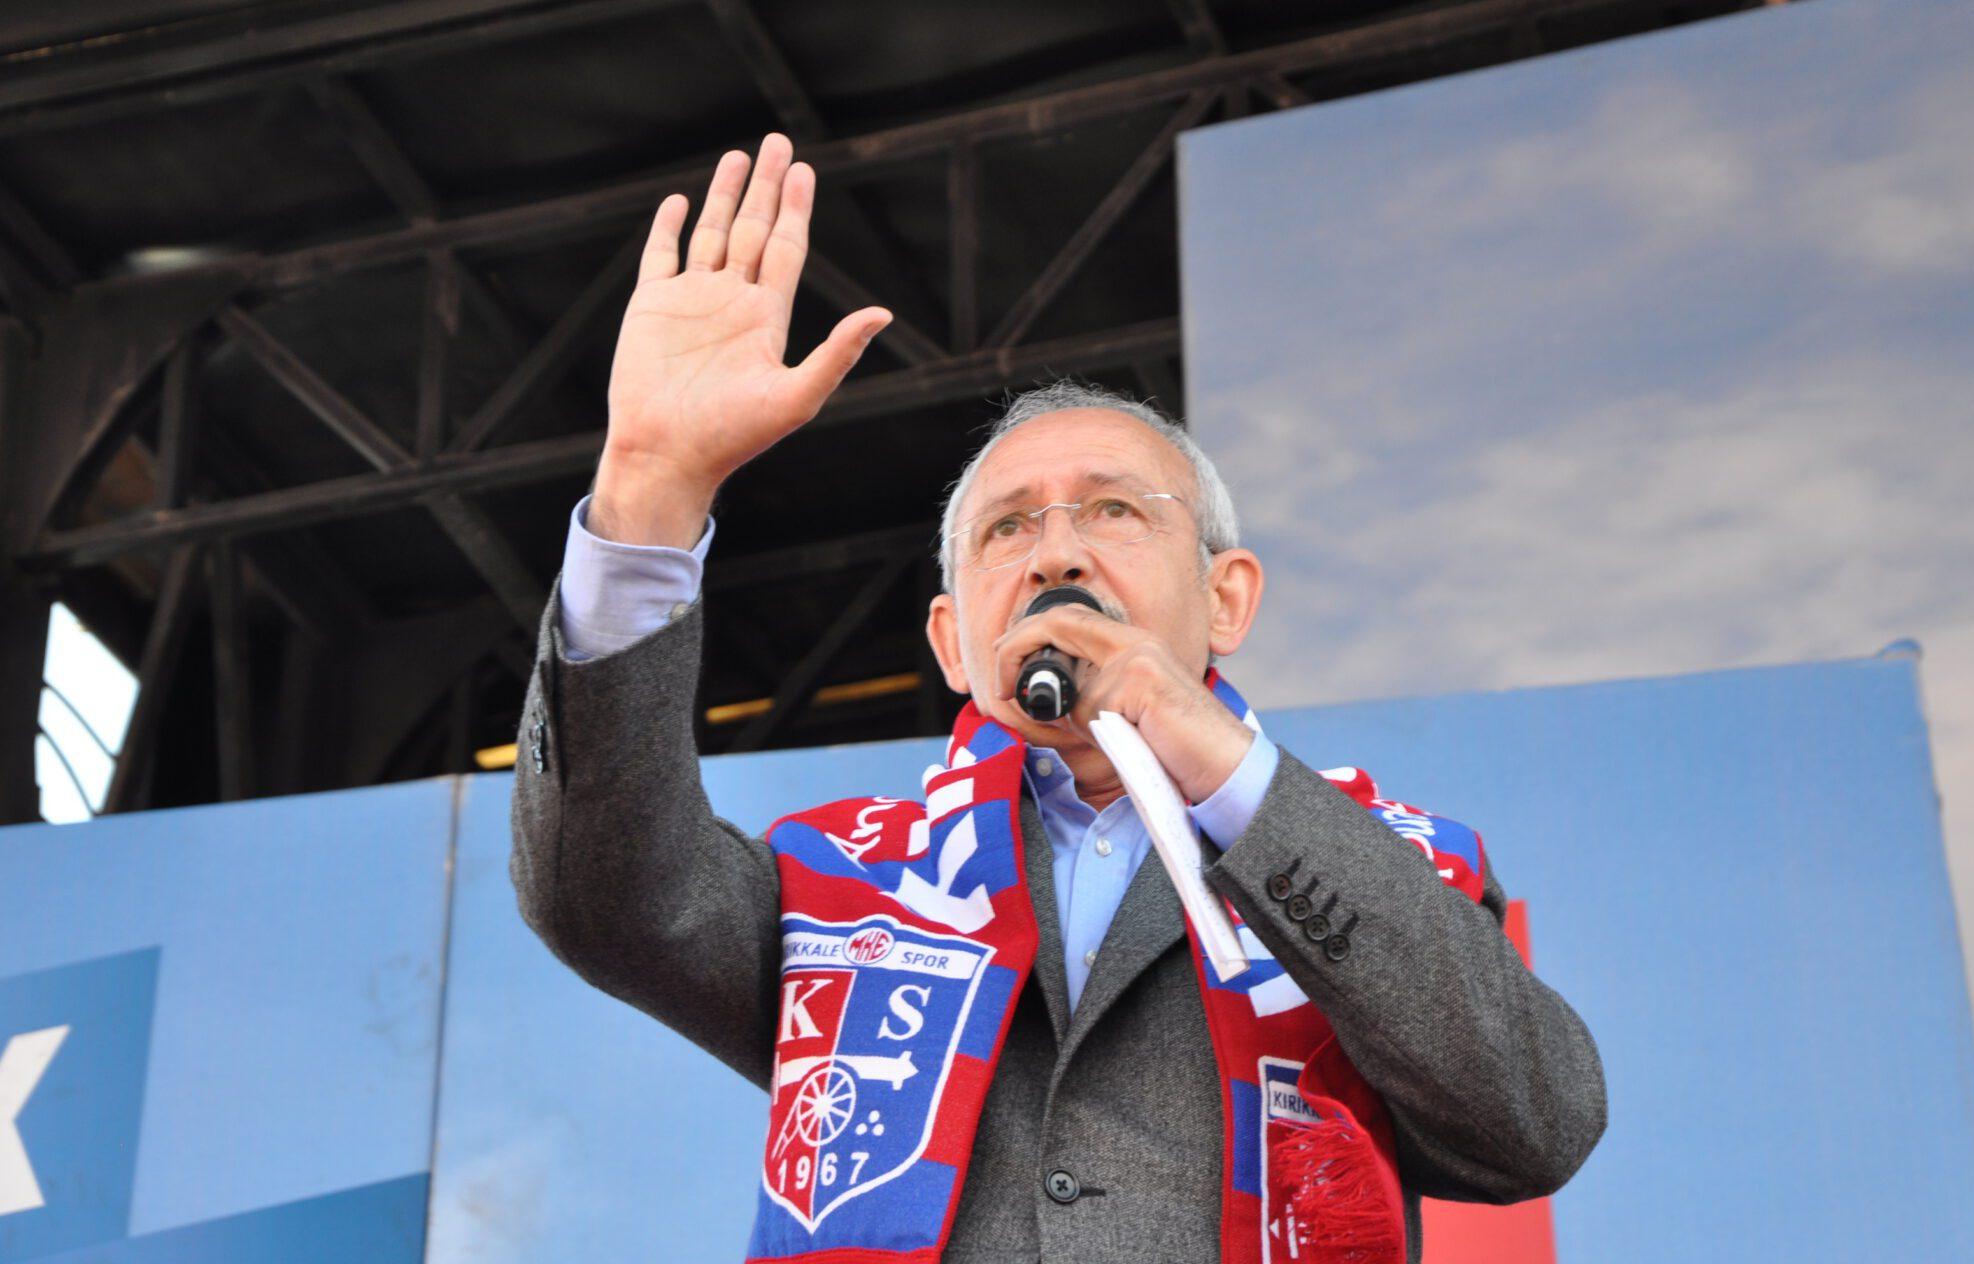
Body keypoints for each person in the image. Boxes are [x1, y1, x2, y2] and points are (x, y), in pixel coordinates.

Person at [510, 131, 1606, 1264]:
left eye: (1114, 511)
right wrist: (649, 483)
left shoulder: (1379, 861)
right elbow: (604, 895)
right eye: (1007, 527)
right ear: (950, 640)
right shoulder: (840, 887)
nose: (1056, 554)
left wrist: (1215, 762)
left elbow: (1533, 1123)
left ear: (1225, 600)